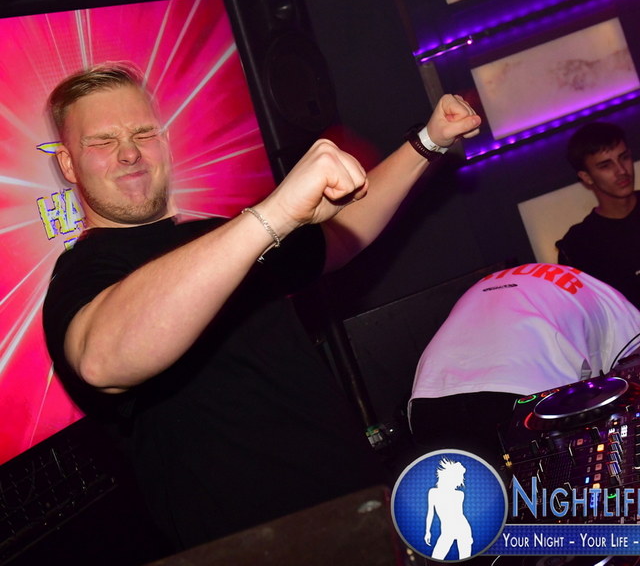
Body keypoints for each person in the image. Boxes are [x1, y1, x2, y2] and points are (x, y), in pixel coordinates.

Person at [42, 61, 481, 551]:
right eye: (102, 142)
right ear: (68, 165)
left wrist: (429, 141)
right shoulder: (81, 276)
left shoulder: (219, 236)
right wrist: (273, 214)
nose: (129, 153)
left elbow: (339, 238)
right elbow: (102, 359)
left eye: (143, 134)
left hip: (361, 518)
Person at [409, 263, 640, 464]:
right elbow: (631, 370)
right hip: (524, 393)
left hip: (430, 399)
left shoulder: (494, 281)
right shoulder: (610, 300)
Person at [556, 121, 640, 308]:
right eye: (605, 165)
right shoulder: (579, 245)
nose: (622, 171)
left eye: (624, 157)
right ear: (586, 177)